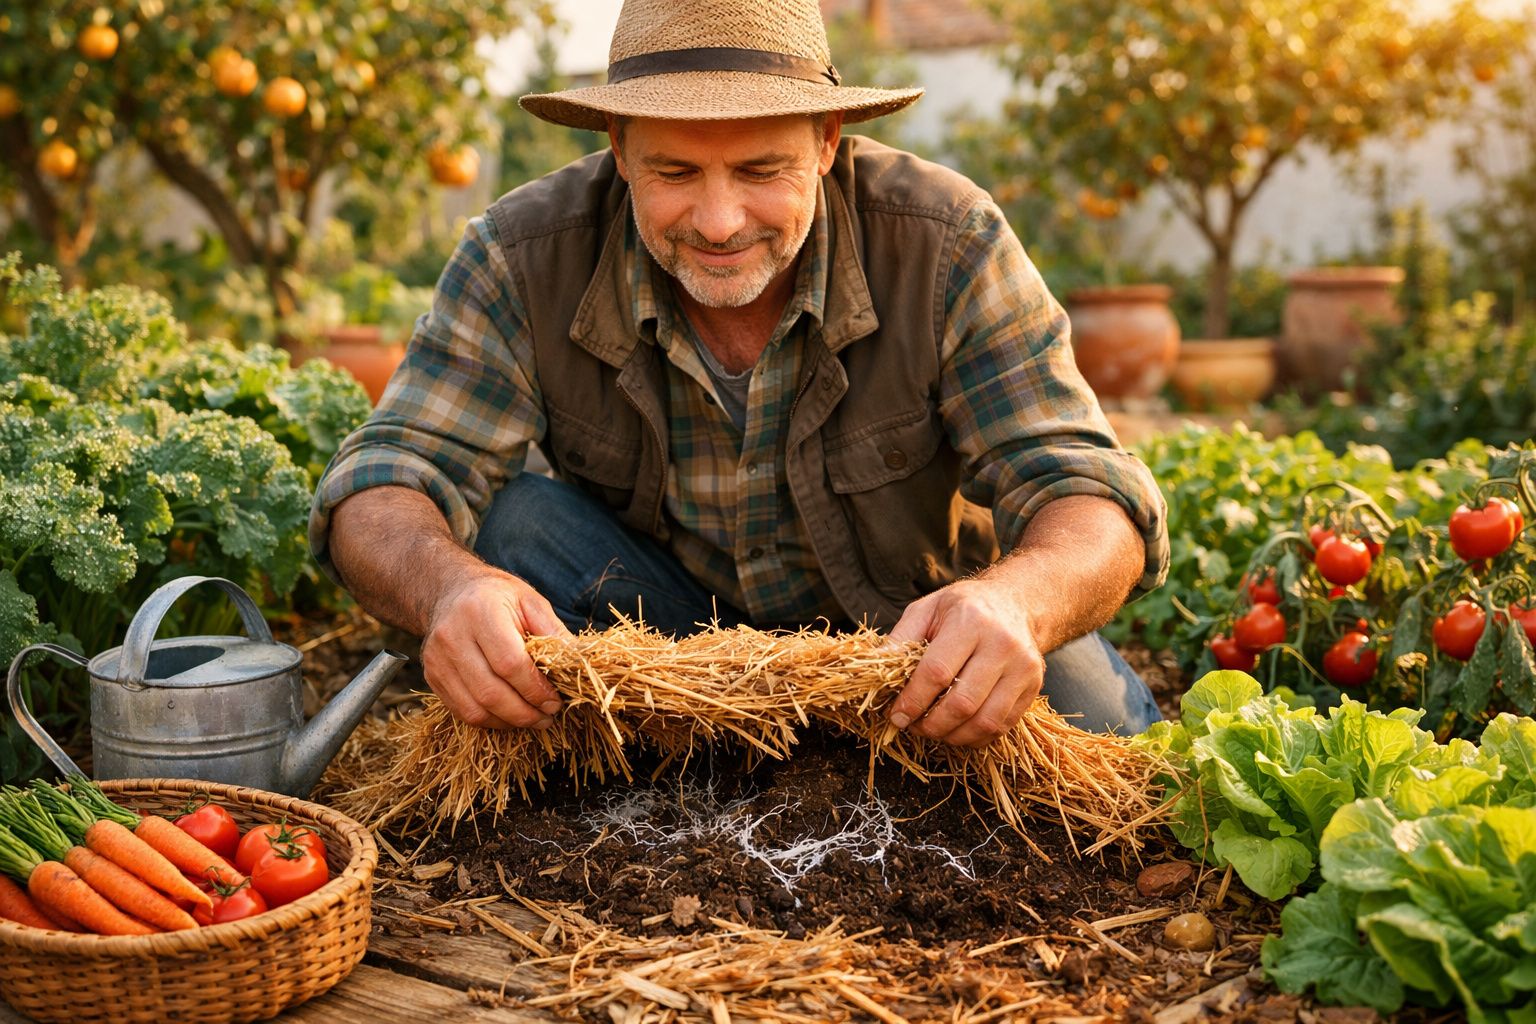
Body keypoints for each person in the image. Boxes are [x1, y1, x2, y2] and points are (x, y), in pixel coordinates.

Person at [310, 0, 1170, 748]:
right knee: (513, 523)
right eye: (675, 172)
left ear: (827, 141)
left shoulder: (946, 243)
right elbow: (386, 478)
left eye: (762, 171)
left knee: (1109, 740)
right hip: (664, 657)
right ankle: (675, 756)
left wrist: (1019, 604)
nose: (720, 222)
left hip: (914, 654)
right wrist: (449, 589)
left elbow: (1087, 491)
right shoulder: (521, 255)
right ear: (618, 146)